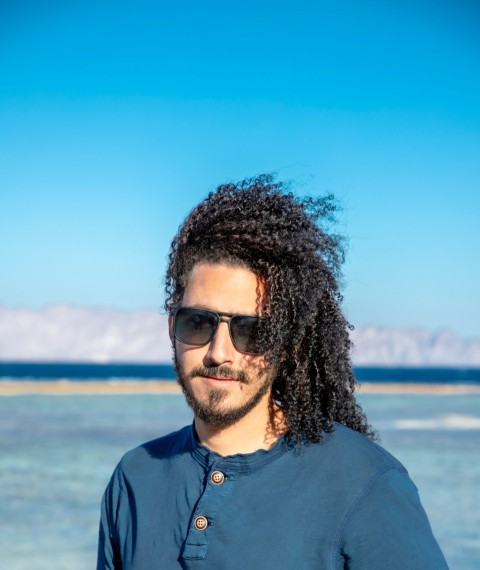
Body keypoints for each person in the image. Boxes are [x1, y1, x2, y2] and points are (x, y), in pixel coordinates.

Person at [97, 174, 448, 569]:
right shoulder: (135, 476)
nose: (219, 353)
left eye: (251, 331)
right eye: (198, 323)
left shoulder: (365, 485)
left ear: (286, 344)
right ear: (171, 328)